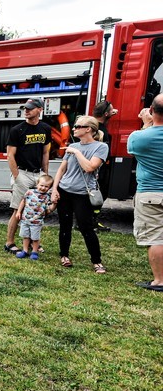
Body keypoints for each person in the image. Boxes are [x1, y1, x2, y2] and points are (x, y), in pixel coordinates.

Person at [51, 115, 109, 273]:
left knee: (86, 227)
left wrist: (76, 152)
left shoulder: (101, 147)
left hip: (83, 194)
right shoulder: (73, 146)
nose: (74, 129)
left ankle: (96, 261)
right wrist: (54, 189)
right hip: (64, 191)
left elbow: (90, 167)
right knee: (65, 225)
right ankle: (64, 256)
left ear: (88, 129)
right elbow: (62, 170)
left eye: (77, 126)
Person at [4, 98, 52, 254]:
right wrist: (17, 176)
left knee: (36, 210)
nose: (26, 110)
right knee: (18, 210)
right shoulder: (17, 130)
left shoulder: (45, 128)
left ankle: (32, 243)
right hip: (22, 173)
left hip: (38, 174)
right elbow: (10, 155)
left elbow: (45, 153)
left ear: (39, 110)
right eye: (25, 108)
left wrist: (45, 174)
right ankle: (10, 243)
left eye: (30, 108)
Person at [127, 96, 163, 291]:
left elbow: (133, 149)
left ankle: (159, 281)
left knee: (156, 237)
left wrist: (147, 123)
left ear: (151, 109)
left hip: (151, 193)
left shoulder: (140, 137)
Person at [14, 174, 57, 260]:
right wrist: (19, 212)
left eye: (46, 186)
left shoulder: (47, 197)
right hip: (25, 219)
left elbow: (49, 210)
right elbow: (23, 201)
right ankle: (25, 250)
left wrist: (55, 204)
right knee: (25, 236)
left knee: (35, 238)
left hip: (37, 222)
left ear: (49, 188)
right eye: (41, 185)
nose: (43, 188)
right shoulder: (30, 192)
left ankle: (34, 252)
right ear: (37, 184)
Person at [92, 100, 118, 232]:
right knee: (96, 195)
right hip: (98, 167)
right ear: (106, 113)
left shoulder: (99, 125)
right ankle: (89, 222)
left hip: (102, 166)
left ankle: (92, 220)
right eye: (111, 111)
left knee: (101, 194)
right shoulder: (96, 128)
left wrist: (111, 113)